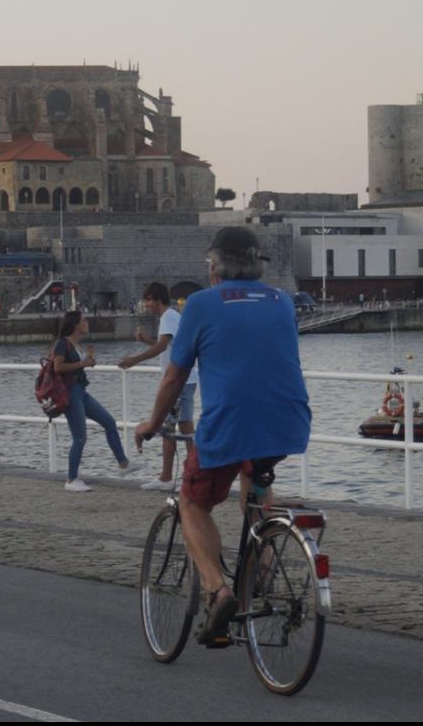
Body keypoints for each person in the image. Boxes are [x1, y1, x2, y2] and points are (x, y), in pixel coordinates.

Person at [134, 227, 311, 646]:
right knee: (256, 484)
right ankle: (262, 573)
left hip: (230, 423)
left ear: (213, 266)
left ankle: (219, 591)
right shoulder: (281, 301)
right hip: (288, 422)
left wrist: (151, 422)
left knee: (194, 502)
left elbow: (175, 375)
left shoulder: (199, 304)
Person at [118, 282, 198, 492]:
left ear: (157, 299)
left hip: (179, 381)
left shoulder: (168, 317)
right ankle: (195, 474)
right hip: (187, 379)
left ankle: (166, 477)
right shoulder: (172, 317)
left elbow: (162, 346)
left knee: (169, 428)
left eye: (148, 300)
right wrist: (147, 341)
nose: (147, 305)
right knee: (186, 427)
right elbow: (167, 345)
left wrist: (134, 360)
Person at [52, 310, 129, 492]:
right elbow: (57, 367)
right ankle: (71, 480)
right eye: (84, 320)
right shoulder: (62, 344)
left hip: (81, 392)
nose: (87, 323)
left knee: (109, 422)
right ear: (76, 325)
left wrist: (88, 361)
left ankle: (124, 463)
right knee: (79, 438)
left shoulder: (76, 345)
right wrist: (82, 364)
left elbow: (79, 366)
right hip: (70, 394)